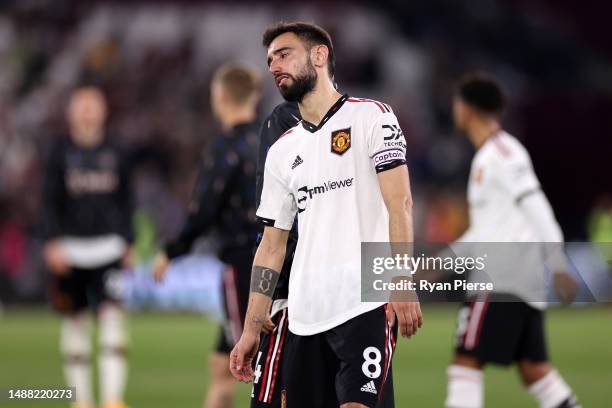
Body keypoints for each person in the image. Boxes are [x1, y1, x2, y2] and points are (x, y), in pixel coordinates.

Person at [230, 22, 422, 408]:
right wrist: (252, 327)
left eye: (283, 54)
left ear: (319, 56)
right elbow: (271, 246)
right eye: (269, 60)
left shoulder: (373, 117)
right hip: (303, 314)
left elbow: (399, 202)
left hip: (364, 304)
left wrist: (402, 279)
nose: (273, 66)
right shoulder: (283, 151)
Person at [445, 73, 580, 408]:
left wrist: (559, 265)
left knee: (466, 361)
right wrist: (439, 263)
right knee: (534, 369)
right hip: (518, 279)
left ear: (466, 108)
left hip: (500, 278)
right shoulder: (489, 156)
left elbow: (539, 209)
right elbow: (484, 231)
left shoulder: (503, 154)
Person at [152, 63, 261, 408]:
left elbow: (203, 211)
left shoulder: (223, 148)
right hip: (281, 258)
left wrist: (172, 251)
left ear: (220, 97)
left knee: (262, 365)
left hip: (245, 264)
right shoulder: (277, 141)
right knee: (221, 365)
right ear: (255, 97)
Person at [42, 86, 133, 408]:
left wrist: (129, 241)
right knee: (75, 322)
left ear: (104, 110)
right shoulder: (58, 152)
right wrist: (51, 241)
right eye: (81, 105)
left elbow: (127, 201)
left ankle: (112, 398)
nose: (87, 111)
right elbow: (49, 202)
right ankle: (80, 399)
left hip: (109, 249)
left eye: (93, 105)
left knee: (112, 320)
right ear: (70, 111)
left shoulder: (118, 150)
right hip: (70, 251)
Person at [250, 101, 300, 408]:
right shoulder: (363, 120)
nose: (274, 65)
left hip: (293, 298)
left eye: (283, 54)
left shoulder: (283, 122)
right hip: (354, 301)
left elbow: (273, 237)